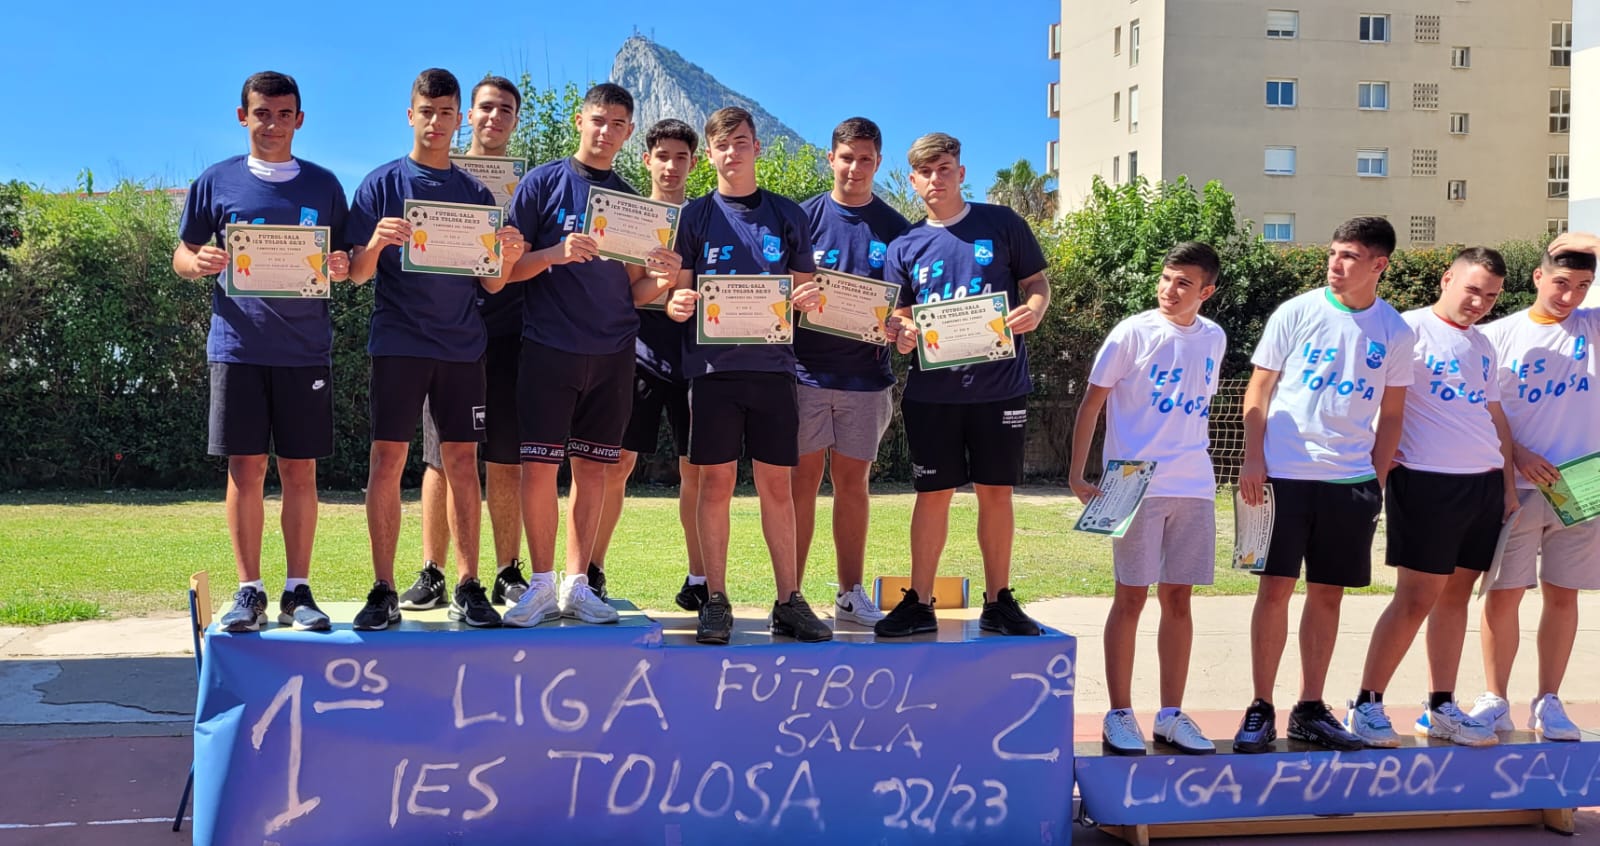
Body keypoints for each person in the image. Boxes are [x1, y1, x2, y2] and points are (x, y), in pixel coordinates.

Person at [346, 68, 527, 631]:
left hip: (461, 348)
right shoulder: (380, 184)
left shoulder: (475, 194)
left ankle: (469, 586)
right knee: (387, 460)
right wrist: (376, 242)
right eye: (427, 112)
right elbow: (355, 274)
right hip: (399, 343)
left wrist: (507, 254)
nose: (436, 122)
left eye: (446, 113)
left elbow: (492, 283)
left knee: (461, 462)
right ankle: (383, 588)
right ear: (411, 115)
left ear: (458, 120)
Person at [499, 83, 681, 627]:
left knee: (595, 471)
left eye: (617, 124)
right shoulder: (541, 183)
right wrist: (555, 253)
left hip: (613, 353)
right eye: (598, 120)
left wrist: (662, 279)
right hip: (548, 347)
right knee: (538, 467)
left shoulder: (632, 202)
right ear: (581, 121)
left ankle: (577, 585)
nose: (606, 131)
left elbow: (635, 291)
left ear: (629, 133)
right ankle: (540, 584)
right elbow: (506, 271)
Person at [175, 71, 350, 633]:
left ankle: (298, 591)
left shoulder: (324, 185)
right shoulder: (215, 181)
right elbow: (183, 254)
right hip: (238, 348)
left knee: (300, 470)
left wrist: (342, 264)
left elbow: (345, 260)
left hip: (304, 352)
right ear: (242, 116)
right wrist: (198, 262)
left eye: (283, 114)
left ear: (299, 119)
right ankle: (248, 591)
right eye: (261, 113)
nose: (272, 124)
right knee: (245, 468)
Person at [1233, 216, 1413, 752]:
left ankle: (1309, 708)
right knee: (1274, 590)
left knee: (1327, 594)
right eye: (1333, 253)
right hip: (1284, 473)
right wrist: (1252, 458)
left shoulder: (1395, 331)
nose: (1335, 264)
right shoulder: (1297, 311)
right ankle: (1260, 707)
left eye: (1349, 256)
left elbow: (1393, 414)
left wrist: (1375, 478)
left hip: (1349, 481)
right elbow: (1258, 390)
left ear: (1378, 265)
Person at [662, 106, 832, 645]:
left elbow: (806, 290)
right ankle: (715, 600)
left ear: (757, 148)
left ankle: (789, 600)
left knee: (776, 487)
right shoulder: (693, 216)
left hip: (774, 371)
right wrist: (677, 304)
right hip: (712, 372)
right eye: (722, 144)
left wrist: (809, 298)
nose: (732, 152)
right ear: (709, 155)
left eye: (741, 142)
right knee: (714, 484)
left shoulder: (787, 214)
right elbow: (678, 295)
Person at [872, 132, 1052, 639]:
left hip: (1000, 387)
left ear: (961, 173)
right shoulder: (905, 245)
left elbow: (1037, 283)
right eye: (926, 172)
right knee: (932, 495)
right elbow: (899, 317)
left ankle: (999, 602)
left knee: (996, 493)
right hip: (933, 395)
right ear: (913, 180)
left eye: (945, 169)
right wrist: (901, 334)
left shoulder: (1002, 224)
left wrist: (1035, 309)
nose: (936, 179)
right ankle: (918, 602)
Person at [1340, 247, 1516, 748]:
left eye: (1491, 296)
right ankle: (1366, 704)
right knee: (1416, 598)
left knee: (1456, 598)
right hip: (1426, 481)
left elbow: (1494, 416)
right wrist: (1376, 459)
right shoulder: (1404, 330)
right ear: (1446, 279)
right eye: (1472, 290)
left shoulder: (1483, 344)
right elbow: (1369, 394)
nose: (1480, 302)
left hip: (1482, 484)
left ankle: (1441, 706)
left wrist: (1506, 485)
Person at [1069, 242, 1226, 756]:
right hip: (1135, 483)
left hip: (1194, 484)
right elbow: (1092, 403)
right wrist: (1077, 473)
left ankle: (1171, 715)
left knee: (1179, 598)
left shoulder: (1214, 337)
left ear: (1206, 292)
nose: (1169, 290)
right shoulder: (1132, 333)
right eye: (1165, 278)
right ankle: (1119, 714)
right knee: (1131, 596)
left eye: (1183, 283)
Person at [404, 75, 530, 613]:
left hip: (512, 331)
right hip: (448, 333)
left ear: (515, 121)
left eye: (506, 110)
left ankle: (507, 572)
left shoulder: (529, 186)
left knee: (505, 457)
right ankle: (433, 571)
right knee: (441, 457)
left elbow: (534, 257)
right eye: (486, 108)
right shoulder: (438, 176)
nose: (494, 117)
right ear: (467, 117)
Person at [1470, 234, 1600, 741]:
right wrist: (1517, 454)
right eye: (1561, 282)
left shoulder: (1592, 327)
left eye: (1584, 286)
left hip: (1582, 481)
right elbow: (1481, 411)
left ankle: (1548, 700)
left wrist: (1590, 242)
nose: (1570, 296)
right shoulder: (1496, 336)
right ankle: (1495, 699)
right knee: (1503, 594)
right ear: (1538, 276)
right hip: (1517, 484)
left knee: (1563, 595)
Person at [584, 118, 708, 613]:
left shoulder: (705, 218)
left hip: (698, 362)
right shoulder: (629, 214)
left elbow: (708, 288)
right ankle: (590, 571)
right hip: (637, 356)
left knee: (697, 471)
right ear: (646, 159)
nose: (671, 166)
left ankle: (700, 579)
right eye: (663, 156)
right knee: (615, 465)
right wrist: (663, 291)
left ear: (693, 163)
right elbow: (625, 290)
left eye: (681, 157)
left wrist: (684, 295)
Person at [794, 117, 911, 626]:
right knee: (800, 487)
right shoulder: (802, 218)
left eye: (865, 159)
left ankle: (849, 592)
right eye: (847, 157)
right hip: (804, 374)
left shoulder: (897, 228)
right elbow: (780, 290)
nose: (855, 168)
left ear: (878, 162)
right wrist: (795, 298)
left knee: (853, 485)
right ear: (831, 159)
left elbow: (906, 304)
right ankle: (791, 596)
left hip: (866, 379)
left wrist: (900, 325)